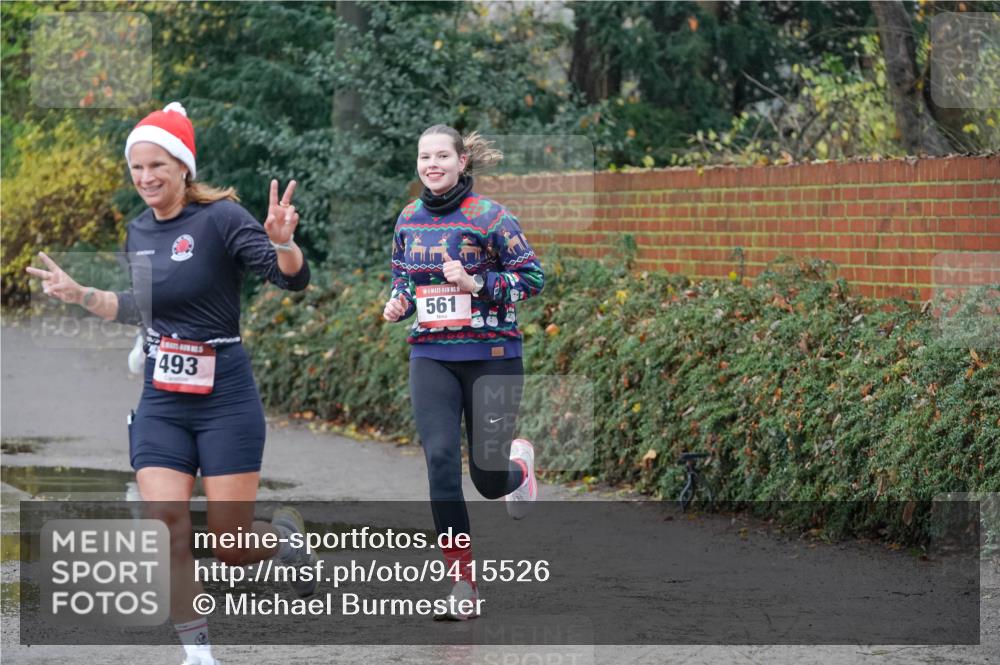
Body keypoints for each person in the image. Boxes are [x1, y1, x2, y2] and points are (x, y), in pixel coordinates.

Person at [26, 102, 317, 665]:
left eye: (157, 164)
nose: (146, 178)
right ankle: (198, 654)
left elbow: (292, 280)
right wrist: (81, 293)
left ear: (184, 166)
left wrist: (282, 241)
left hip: (226, 398)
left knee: (232, 545)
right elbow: (142, 306)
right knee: (168, 525)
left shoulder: (223, 219)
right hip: (162, 400)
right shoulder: (138, 230)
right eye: (137, 168)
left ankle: (283, 540)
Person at [382, 124, 544, 620]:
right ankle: (463, 584)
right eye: (424, 156)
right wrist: (398, 302)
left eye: (441, 156)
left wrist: (478, 282)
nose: (431, 164)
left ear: (461, 162)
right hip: (431, 355)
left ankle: (519, 469)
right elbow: (404, 276)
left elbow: (532, 278)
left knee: (488, 481)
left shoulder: (490, 217)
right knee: (440, 461)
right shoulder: (409, 218)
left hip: (492, 356)